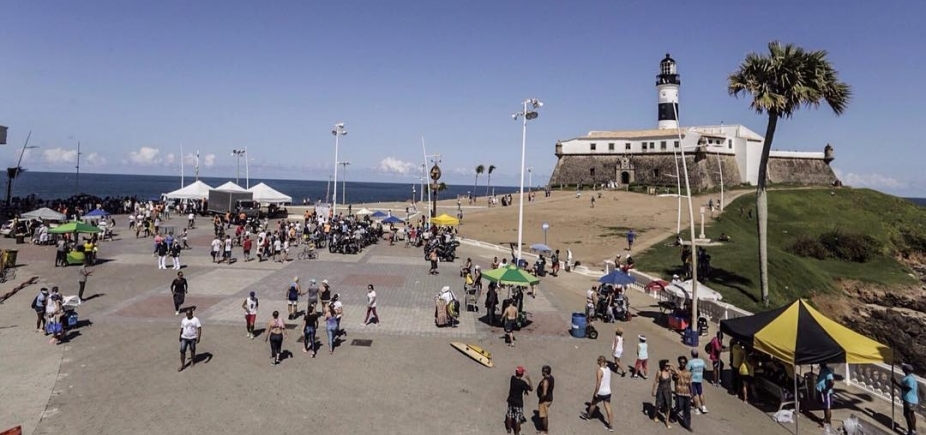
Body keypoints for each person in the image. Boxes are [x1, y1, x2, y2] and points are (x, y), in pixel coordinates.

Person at [580, 356, 614, 432]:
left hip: (601, 392)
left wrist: (596, 392)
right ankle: (611, 425)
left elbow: (598, 383)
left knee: (593, 403)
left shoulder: (599, 371)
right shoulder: (608, 369)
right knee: (608, 407)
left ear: (599, 362)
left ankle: (588, 416)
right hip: (608, 392)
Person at [505, 366, 533, 435]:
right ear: (521, 374)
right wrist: (529, 379)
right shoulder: (522, 383)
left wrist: (525, 389)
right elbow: (531, 388)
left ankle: (509, 429)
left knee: (509, 415)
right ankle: (517, 433)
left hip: (511, 400)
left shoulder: (512, 379)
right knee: (518, 418)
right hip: (518, 403)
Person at [893, 363, 919, 435]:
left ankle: (911, 432)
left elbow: (908, 388)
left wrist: (895, 383)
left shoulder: (909, 379)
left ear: (906, 370)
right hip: (914, 400)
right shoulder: (912, 378)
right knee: (911, 414)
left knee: (907, 415)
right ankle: (913, 430)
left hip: (909, 400)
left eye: (904, 368)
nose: (902, 369)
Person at [651, 359, 673, 429]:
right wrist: (653, 390)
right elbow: (656, 381)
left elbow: (677, 372)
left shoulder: (669, 371)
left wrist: (672, 365)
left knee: (668, 406)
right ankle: (655, 415)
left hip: (668, 391)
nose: (668, 367)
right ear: (663, 365)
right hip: (661, 390)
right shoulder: (659, 372)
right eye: (666, 365)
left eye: (668, 365)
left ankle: (667, 421)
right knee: (658, 404)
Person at [673, 356, 694, 430]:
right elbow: (674, 378)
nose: (682, 364)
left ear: (686, 363)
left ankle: (687, 424)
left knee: (687, 410)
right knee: (679, 407)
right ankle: (673, 414)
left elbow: (690, 383)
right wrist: (675, 377)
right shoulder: (676, 371)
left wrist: (692, 392)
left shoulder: (689, 373)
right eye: (681, 362)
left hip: (687, 393)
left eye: (684, 362)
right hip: (679, 392)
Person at [687, 349, 709, 414]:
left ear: (692, 355)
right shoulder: (701, 361)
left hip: (693, 380)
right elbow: (705, 368)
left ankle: (696, 409)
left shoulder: (690, 362)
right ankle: (704, 407)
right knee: (700, 393)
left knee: (694, 394)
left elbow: (687, 370)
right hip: (699, 379)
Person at [816, 363, 835, 428]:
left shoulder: (828, 371)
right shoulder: (822, 370)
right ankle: (825, 420)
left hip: (826, 392)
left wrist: (827, 389)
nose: (820, 364)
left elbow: (832, 382)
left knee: (827, 408)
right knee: (824, 406)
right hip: (822, 391)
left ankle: (829, 423)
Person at [536, 365, 554, 435]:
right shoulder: (551, 377)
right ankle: (544, 428)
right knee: (544, 414)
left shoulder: (546, 381)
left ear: (545, 372)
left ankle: (545, 430)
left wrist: (541, 399)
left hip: (545, 400)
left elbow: (544, 393)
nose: (541, 372)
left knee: (544, 415)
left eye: (542, 371)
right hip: (550, 398)